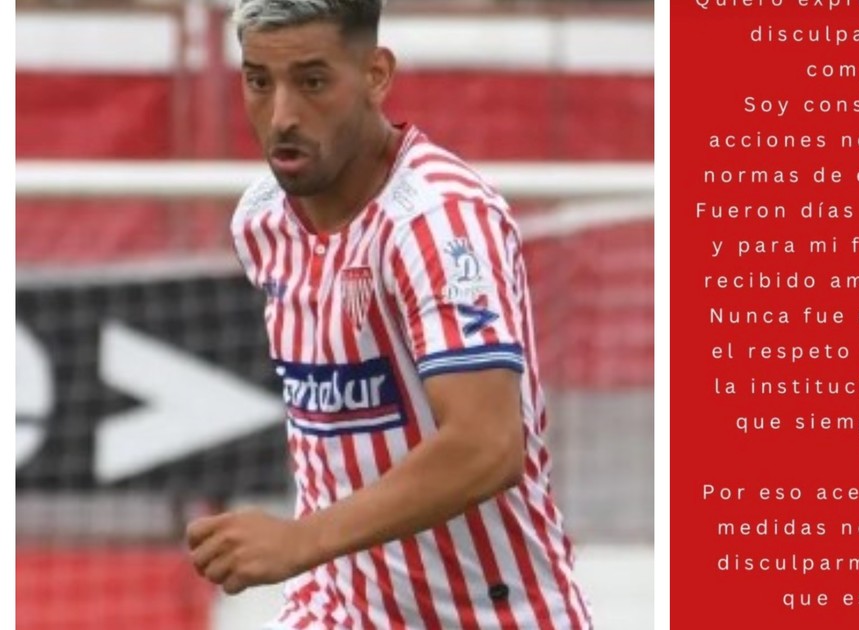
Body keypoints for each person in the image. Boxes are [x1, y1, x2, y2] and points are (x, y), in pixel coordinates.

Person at [184, 1, 593, 627]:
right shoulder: (261, 219)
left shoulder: (439, 222)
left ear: (376, 74)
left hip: (492, 615)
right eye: (259, 81)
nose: (282, 115)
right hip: (340, 609)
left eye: (312, 81)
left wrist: (299, 539)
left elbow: (487, 445)